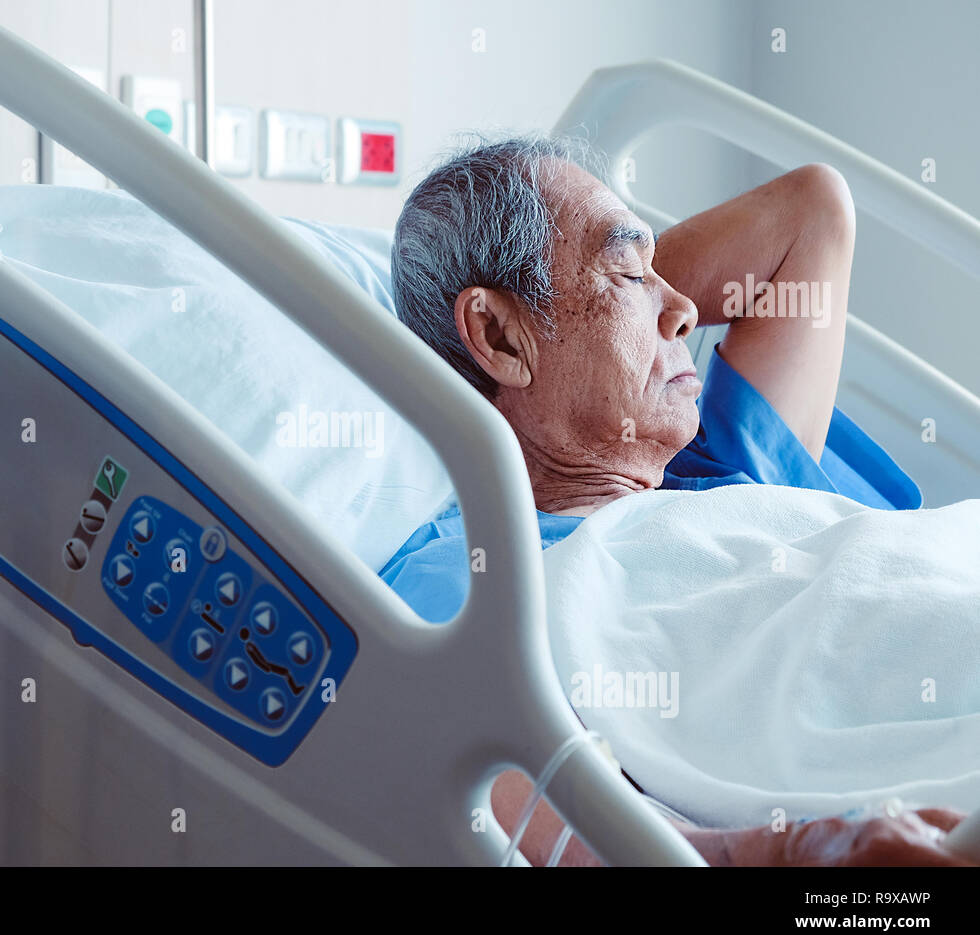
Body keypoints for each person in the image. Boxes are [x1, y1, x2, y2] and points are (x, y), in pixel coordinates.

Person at [384, 135, 967, 865]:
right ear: (497, 335)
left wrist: (593, 315)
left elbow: (812, 212)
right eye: (629, 271)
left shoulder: (723, 469)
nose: (688, 308)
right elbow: (550, 822)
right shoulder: (464, 576)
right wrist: (804, 853)